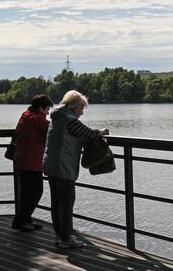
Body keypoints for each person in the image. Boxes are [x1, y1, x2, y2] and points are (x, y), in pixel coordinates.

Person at [43, 90, 109, 248]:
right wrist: (102, 132)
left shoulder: (56, 117)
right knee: (66, 202)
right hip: (63, 166)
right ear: (75, 107)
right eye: (82, 109)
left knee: (57, 202)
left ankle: (60, 236)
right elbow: (87, 133)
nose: (82, 113)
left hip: (51, 165)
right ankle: (66, 239)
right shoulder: (69, 119)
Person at [11, 94, 54, 231]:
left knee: (26, 192)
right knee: (36, 192)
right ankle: (19, 221)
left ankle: (26, 219)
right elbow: (55, 129)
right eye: (47, 109)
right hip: (31, 161)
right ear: (41, 108)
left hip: (22, 159)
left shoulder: (26, 114)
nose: (48, 113)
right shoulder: (37, 119)